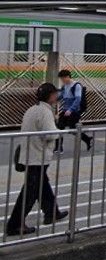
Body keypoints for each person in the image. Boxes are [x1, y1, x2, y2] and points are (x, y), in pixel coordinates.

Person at [6, 84, 67, 236]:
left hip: (30, 153)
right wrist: (60, 131)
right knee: (30, 191)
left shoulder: (33, 109)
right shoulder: (45, 112)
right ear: (51, 95)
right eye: (55, 94)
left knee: (42, 185)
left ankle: (52, 212)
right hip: (37, 156)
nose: (57, 96)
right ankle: (15, 224)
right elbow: (50, 135)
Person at [56, 69, 92, 151]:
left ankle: (87, 139)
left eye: (63, 78)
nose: (62, 80)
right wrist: (54, 100)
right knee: (59, 127)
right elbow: (61, 96)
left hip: (74, 111)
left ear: (68, 77)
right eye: (61, 79)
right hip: (65, 110)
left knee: (73, 128)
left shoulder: (77, 85)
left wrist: (71, 110)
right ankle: (58, 147)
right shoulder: (64, 86)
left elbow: (78, 99)